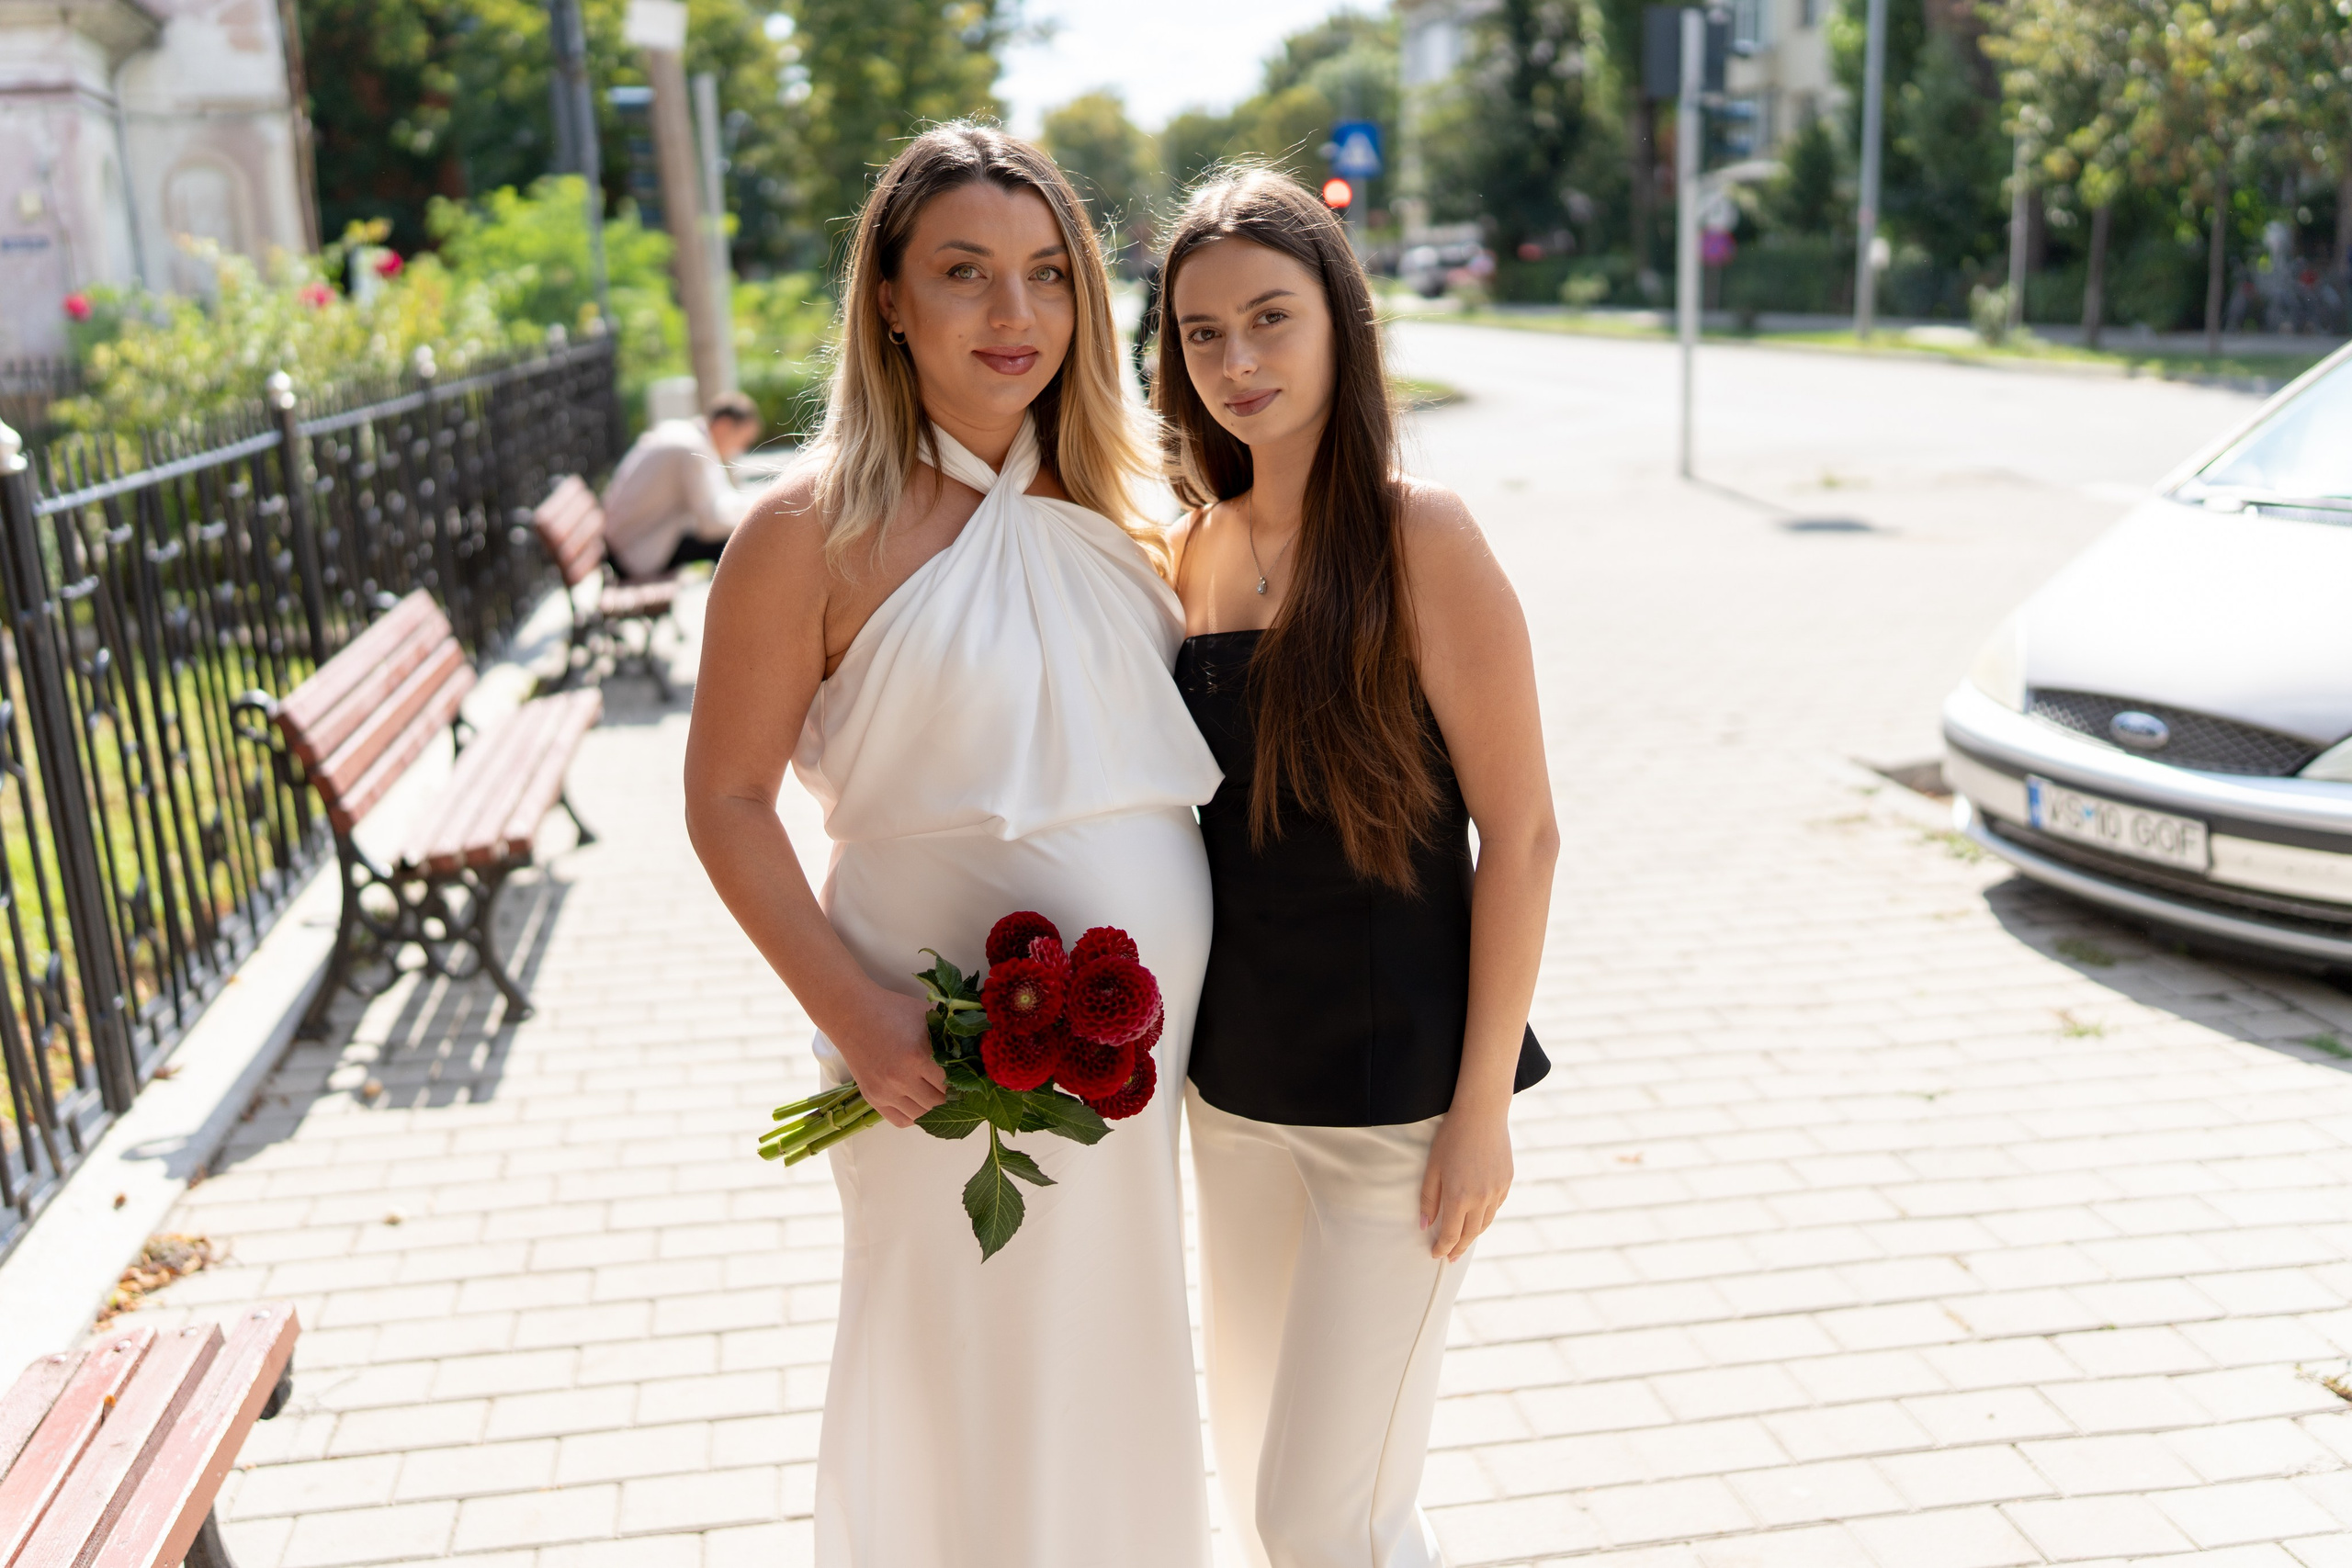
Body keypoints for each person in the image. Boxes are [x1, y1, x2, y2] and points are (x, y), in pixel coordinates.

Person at [682, 125, 1219, 1568]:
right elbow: (725, 800)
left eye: (1048, 273)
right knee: (953, 1356)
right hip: (925, 1046)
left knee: (1113, 1348)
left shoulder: (1130, 501)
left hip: (1139, 1050)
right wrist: (857, 1013)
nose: (1013, 311)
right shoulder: (804, 529)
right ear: (891, 298)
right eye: (965, 272)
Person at [1158, 168, 1557, 1568]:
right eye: (1203, 333)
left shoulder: (1417, 533)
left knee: (1324, 1516)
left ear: (1342, 318)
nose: (1238, 360)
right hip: (1234, 1094)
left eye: (1270, 317)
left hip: (1399, 1108)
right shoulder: (1189, 550)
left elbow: (1524, 832)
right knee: (1266, 1487)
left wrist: (1482, 1109)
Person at [600, 390, 761, 580]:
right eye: (743, 440)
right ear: (724, 426)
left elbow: (719, 503)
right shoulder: (690, 448)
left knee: (734, 538)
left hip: (627, 544)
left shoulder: (687, 436)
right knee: (740, 541)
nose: (740, 450)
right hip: (634, 554)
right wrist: (755, 518)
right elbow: (710, 524)